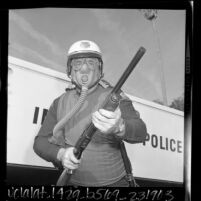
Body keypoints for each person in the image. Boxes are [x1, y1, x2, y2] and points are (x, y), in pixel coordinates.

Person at [33, 40, 147, 187]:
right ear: (70, 70)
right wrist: (61, 154)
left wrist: (120, 127)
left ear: (99, 69)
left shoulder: (115, 95)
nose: (85, 68)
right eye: (78, 63)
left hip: (116, 184)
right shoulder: (59, 102)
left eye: (91, 63)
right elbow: (40, 142)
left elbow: (141, 131)